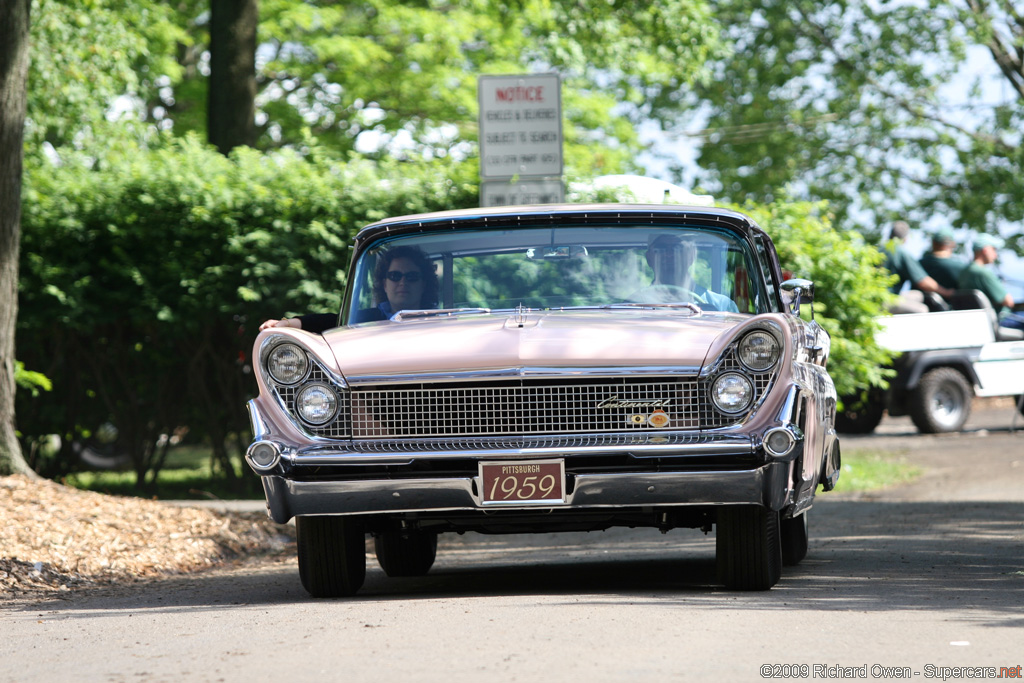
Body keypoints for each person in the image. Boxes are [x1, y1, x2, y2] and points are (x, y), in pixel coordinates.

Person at [259, 245, 439, 333]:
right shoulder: (368, 318)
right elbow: (332, 322)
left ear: (424, 284)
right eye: (394, 276)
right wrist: (286, 323)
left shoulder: (438, 322)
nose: (403, 282)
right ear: (384, 284)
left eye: (412, 276)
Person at [630, 234, 739, 312]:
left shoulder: (722, 306)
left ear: (691, 255)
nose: (669, 254)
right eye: (661, 248)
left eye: (677, 248)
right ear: (649, 258)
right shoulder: (633, 303)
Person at [881, 220, 954, 314]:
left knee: (918, 295)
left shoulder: (878, 249)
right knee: (922, 310)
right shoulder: (900, 253)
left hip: (877, 296)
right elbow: (923, 282)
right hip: (885, 300)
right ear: (905, 239)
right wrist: (947, 292)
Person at [957, 234, 1024, 332]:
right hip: (1000, 320)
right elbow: (1008, 301)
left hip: (978, 321)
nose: (995, 255)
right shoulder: (983, 273)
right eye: (994, 250)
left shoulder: (964, 272)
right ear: (985, 250)